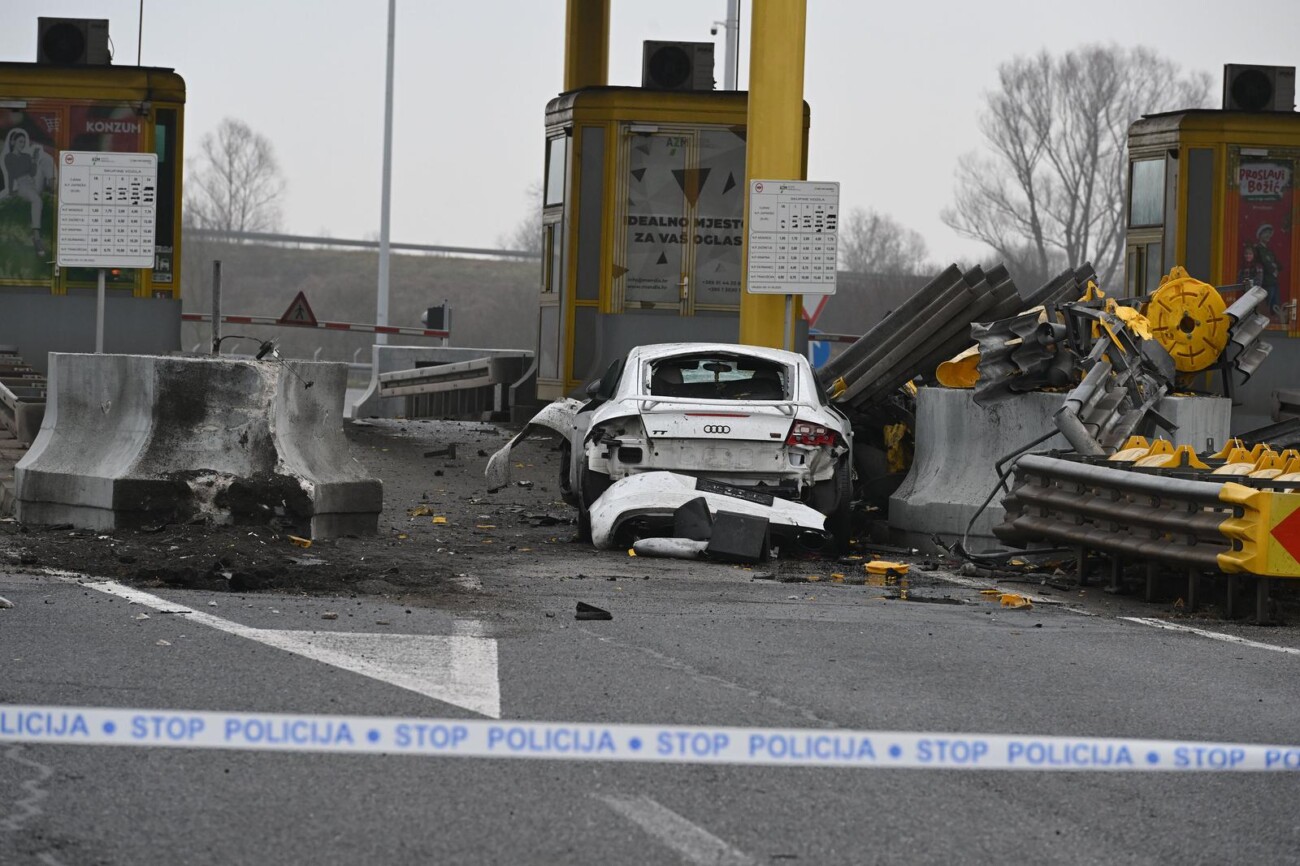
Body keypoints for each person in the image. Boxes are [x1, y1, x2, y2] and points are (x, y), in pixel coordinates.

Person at [0, 128, 55, 258]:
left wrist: (34, 160)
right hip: (22, 185)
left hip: (31, 183)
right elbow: (12, 174)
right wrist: (11, 190)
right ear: (13, 142)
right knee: (37, 201)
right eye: (20, 141)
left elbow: (32, 172)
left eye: (24, 142)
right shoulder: (9, 157)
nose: (22, 144)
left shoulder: (26, 156)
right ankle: (36, 237)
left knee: (39, 199)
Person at [1253, 224, 1282, 318]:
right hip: (1266, 283)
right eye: (1266, 233)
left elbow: (1278, 264)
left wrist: (1275, 266)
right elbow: (1266, 264)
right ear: (1260, 235)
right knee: (1266, 308)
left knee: (1275, 307)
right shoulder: (1258, 249)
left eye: (1270, 233)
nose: (1268, 235)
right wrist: (1274, 268)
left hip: (1273, 282)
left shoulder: (1268, 250)